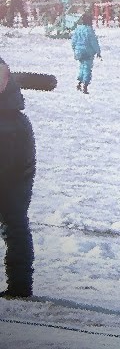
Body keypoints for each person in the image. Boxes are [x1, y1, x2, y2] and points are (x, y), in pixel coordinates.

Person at [0, 56, 35, 298]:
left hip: (10, 141)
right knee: (15, 222)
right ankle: (20, 285)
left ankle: (20, 285)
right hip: (16, 141)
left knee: (14, 222)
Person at [70, 13, 102, 94]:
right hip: (88, 52)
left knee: (81, 67)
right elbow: (93, 42)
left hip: (79, 51)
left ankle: (79, 83)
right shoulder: (89, 30)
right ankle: (85, 85)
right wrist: (98, 52)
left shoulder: (78, 29)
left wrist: (75, 49)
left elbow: (73, 41)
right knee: (87, 68)